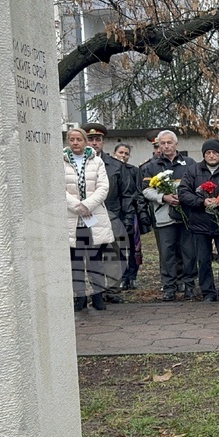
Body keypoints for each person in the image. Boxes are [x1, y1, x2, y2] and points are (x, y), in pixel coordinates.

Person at [140, 130, 198, 301]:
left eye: (169, 142)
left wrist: (185, 198)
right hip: (164, 216)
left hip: (187, 215)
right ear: (158, 145)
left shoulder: (189, 163)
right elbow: (145, 190)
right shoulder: (152, 166)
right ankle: (169, 287)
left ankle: (189, 286)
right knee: (167, 254)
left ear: (176, 144)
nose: (166, 146)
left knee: (189, 252)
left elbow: (197, 186)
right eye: (162, 143)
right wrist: (163, 197)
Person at [63, 127, 115, 311]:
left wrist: (87, 206)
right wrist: (78, 207)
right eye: (72, 140)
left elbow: (103, 187)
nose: (75, 143)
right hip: (72, 219)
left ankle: (98, 296)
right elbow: (59, 189)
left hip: (93, 217)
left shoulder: (97, 161)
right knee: (76, 261)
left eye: (79, 139)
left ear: (85, 142)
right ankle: (80, 298)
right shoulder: (60, 162)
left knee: (95, 259)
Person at [179, 139, 219, 301]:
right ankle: (207, 291)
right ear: (204, 155)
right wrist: (201, 202)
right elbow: (183, 192)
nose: (211, 156)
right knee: (203, 260)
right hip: (199, 221)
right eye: (208, 153)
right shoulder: (193, 170)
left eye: (215, 153)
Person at [85, 123, 133, 304]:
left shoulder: (115, 166)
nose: (94, 143)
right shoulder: (77, 165)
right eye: (90, 139)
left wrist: (127, 218)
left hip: (113, 214)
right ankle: (97, 291)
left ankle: (113, 290)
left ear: (103, 142)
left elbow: (127, 193)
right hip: (88, 216)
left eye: (98, 139)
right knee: (92, 255)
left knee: (114, 254)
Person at [110, 143, 143, 291]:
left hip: (131, 212)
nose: (123, 156)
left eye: (126, 153)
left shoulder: (134, 170)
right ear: (114, 153)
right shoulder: (109, 169)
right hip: (116, 213)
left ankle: (132, 276)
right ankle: (122, 276)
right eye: (120, 152)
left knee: (133, 247)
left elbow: (138, 191)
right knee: (118, 247)